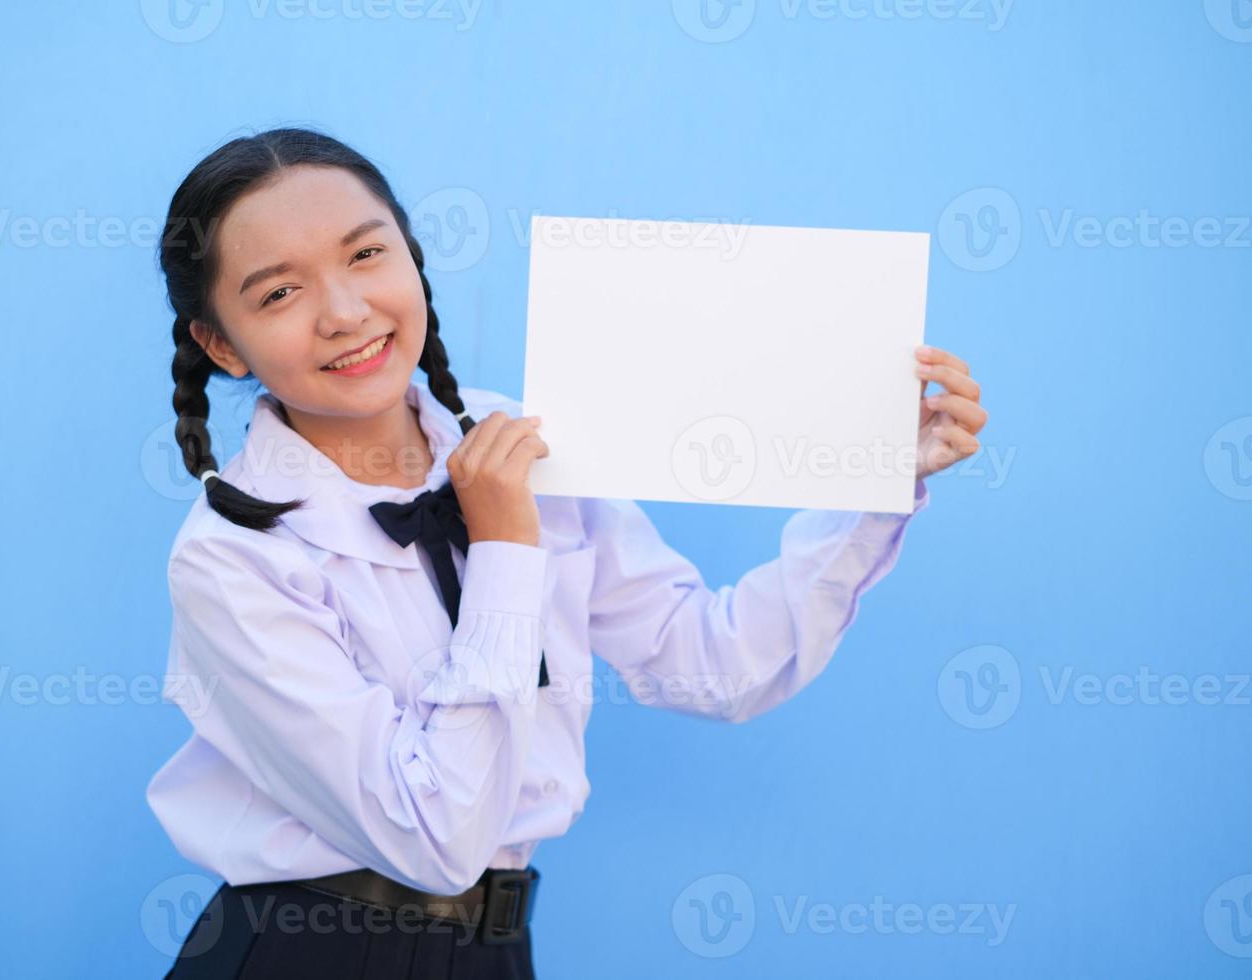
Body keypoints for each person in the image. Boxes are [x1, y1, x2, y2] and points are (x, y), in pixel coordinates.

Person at [145, 126, 990, 979]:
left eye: (366, 254)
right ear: (220, 344)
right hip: (311, 954)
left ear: (411, 253)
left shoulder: (524, 440)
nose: (345, 311)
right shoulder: (231, 557)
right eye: (281, 292)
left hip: (499, 947)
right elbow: (433, 837)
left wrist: (875, 479)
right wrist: (507, 545)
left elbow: (716, 663)